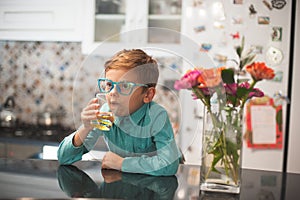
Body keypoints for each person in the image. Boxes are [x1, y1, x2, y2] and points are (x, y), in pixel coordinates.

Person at [57, 49, 181, 176]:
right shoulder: (106, 114)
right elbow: (63, 157)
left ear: (147, 94)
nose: (112, 92)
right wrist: (85, 128)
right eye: (109, 84)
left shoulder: (156, 116)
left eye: (125, 86)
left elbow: (168, 165)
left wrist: (122, 164)